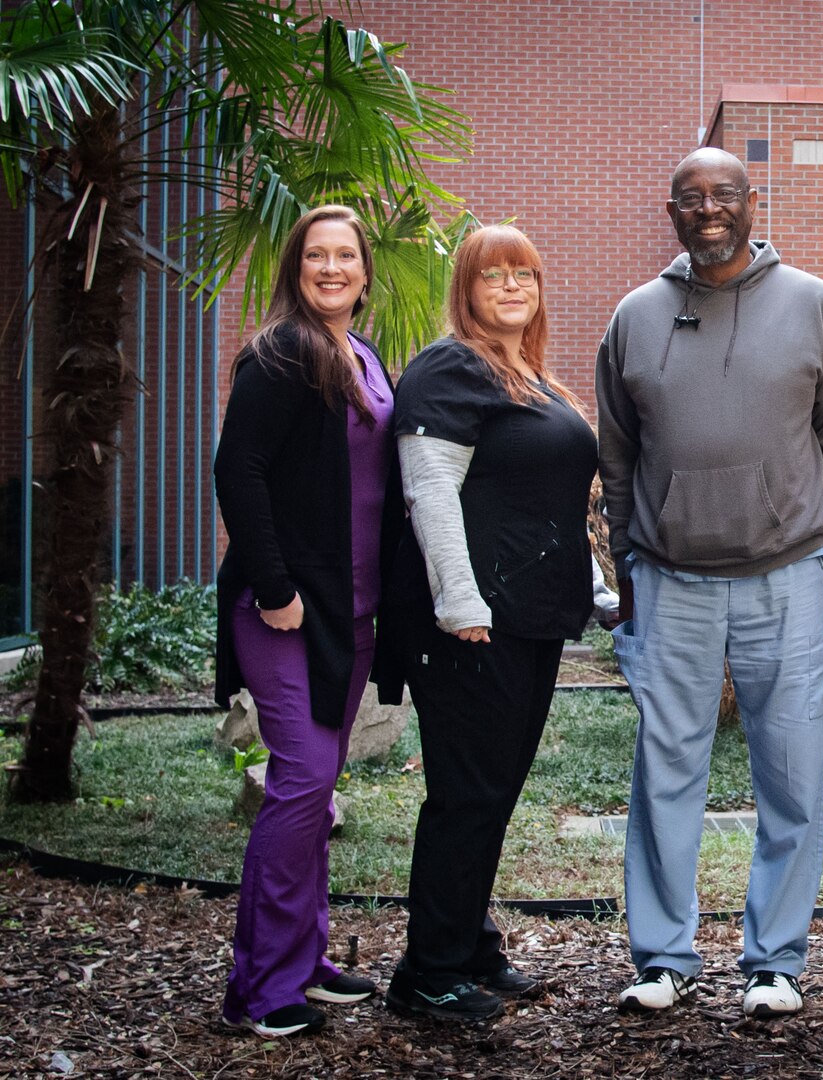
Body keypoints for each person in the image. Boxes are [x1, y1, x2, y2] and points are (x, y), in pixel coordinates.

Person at [596, 147, 823, 1019]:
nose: (709, 209)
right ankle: (664, 956)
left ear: (753, 204)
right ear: (671, 212)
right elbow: (619, 451)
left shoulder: (814, 305)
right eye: (691, 198)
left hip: (786, 576)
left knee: (793, 772)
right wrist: (634, 557)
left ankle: (774, 961)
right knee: (666, 770)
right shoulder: (635, 315)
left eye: (725, 195)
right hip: (670, 581)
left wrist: (800, 530)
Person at [383, 226, 599, 1022]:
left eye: (527, 274)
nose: (512, 286)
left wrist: (598, 587)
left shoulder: (529, 378)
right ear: (466, 288)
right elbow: (430, 491)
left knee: (492, 793)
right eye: (494, 274)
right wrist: (459, 602)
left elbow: (547, 505)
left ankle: (468, 946)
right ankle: (428, 972)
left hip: (530, 619)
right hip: (472, 624)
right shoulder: (450, 367)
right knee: (465, 795)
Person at [214, 204, 402, 1038]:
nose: (332, 268)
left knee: (317, 786)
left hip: (351, 613)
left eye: (346, 256)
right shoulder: (281, 353)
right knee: (300, 784)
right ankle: (262, 989)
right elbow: (239, 470)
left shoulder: (361, 354)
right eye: (316, 256)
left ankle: (305, 958)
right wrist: (274, 584)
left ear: (365, 273)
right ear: (297, 269)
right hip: (286, 611)